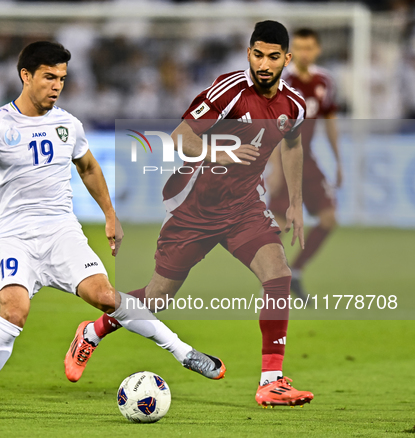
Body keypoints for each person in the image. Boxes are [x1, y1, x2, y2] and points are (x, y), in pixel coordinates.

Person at [0, 41, 225, 421]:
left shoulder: (68, 124)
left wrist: (109, 214)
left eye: (62, 79)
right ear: (26, 76)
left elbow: (87, 166)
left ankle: (184, 353)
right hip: (13, 236)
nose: (57, 86)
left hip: (60, 233)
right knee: (15, 311)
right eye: (49, 77)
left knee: (106, 296)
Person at [65, 21, 315, 408]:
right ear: (249, 54)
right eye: (257, 54)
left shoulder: (294, 106)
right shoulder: (229, 91)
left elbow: (294, 145)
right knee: (156, 298)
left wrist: (296, 200)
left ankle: (272, 381)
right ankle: (93, 331)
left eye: (272, 56)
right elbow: (181, 137)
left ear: (287, 58)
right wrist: (222, 153)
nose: (264, 64)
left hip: (244, 208)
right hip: (194, 208)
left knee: (278, 275)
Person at [267, 28, 341, 300]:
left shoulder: (325, 81)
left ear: (317, 50)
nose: (304, 53)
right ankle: (275, 280)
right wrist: (274, 167)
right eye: (299, 48)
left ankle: (294, 272)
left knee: (328, 219)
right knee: (278, 223)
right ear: (290, 52)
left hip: (307, 159)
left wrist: (338, 161)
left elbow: (329, 121)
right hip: (285, 157)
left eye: (309, 47)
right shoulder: (281, 81)